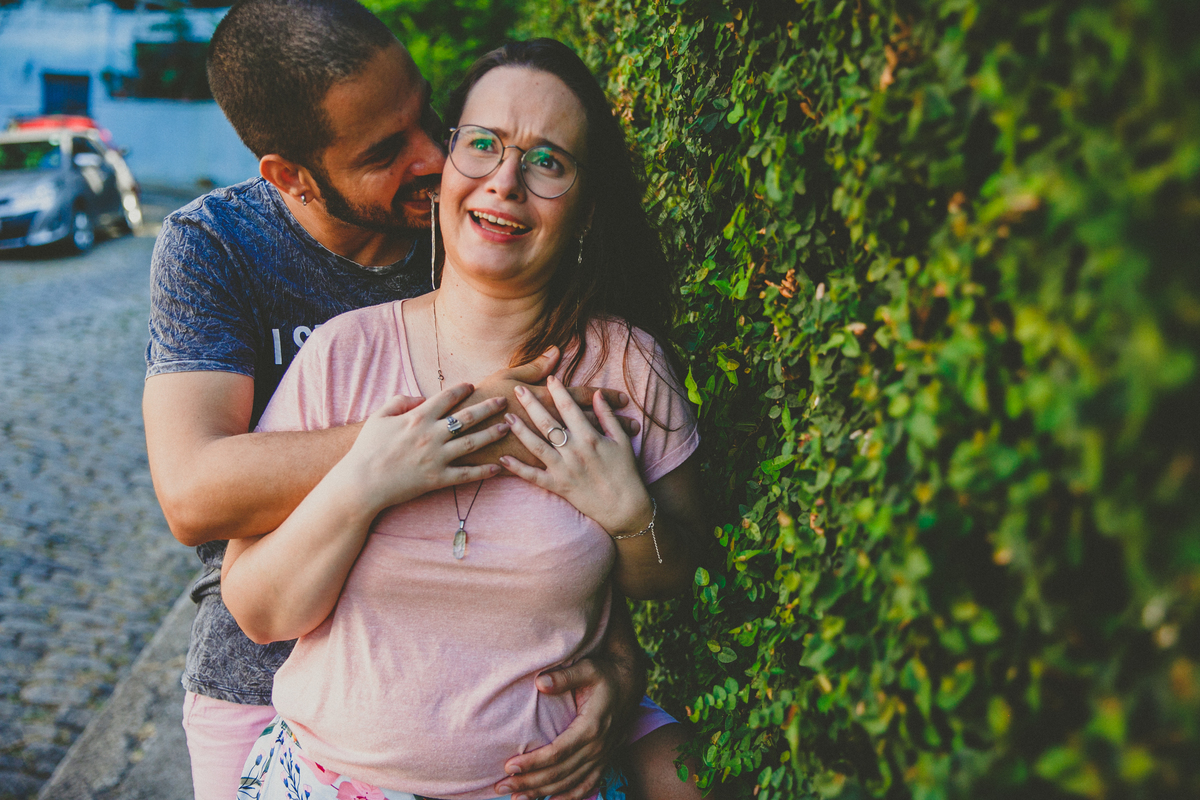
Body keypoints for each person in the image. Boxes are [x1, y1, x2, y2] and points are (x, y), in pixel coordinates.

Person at [142, 2, 649, 799]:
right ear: (292, 177)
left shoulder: (481, 218)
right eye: (385, 150)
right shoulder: (216, 248)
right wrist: (457, 421)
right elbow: (193, 492)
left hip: (506, 675)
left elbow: (558, 520)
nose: (432, 158)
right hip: (266, 669)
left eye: (429, 118)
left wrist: (620, 660)